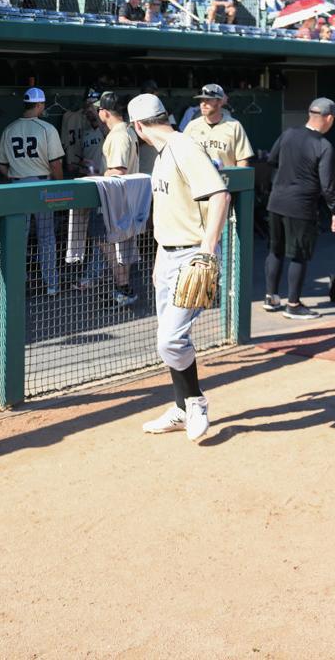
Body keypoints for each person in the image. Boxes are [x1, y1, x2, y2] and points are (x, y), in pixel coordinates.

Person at [127, 93, 230, 440]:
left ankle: (195, 402)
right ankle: (180, 408)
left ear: (138, 127)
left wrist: (207, 251)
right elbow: (170, 211)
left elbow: (220, 195)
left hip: (191, 255)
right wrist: (159, 257)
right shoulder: (163, 153)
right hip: (169, 254)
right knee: (168, 338)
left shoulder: (183, 146)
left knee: (170, 340)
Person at [261, 99, 335, 319]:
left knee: (275, 250)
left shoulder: (289, 133)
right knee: (299, 255)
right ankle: (293, 305)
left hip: (276, 201)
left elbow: (272, 160)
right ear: (328, 118)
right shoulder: (324, 145)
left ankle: (271, 298)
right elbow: (328, 184)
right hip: (301, 206)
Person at [0, 88, 65, 295]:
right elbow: (56, 164)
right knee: (46, 237)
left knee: (18, 237)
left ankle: (17, 284)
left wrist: (16, 174)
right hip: (42, 186)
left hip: (17, 185)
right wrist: (61, 186)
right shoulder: (46, 128)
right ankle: (51, 285)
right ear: (40, 105)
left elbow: (0, 164)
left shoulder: (9, 128)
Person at [92, 91, 141, 306]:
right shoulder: (126, 131)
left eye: (99, 109)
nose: (98, 112)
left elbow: (118, 171)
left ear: (105, 112)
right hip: (125, 198)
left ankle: (123, 289)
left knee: (110, 243)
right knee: (116, 244)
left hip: (117, 199)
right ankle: (122, 287)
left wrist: (96, 176)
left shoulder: (120, 135)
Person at [181, 84, 253, 169]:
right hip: (199, 180)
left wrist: (239, 180)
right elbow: (182, 156)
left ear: (219, 102)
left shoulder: (234, 126)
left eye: (208, 100)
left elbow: (242, 160)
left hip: (226, 179)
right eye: (201, 100)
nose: (203, 104)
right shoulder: (192, 126)